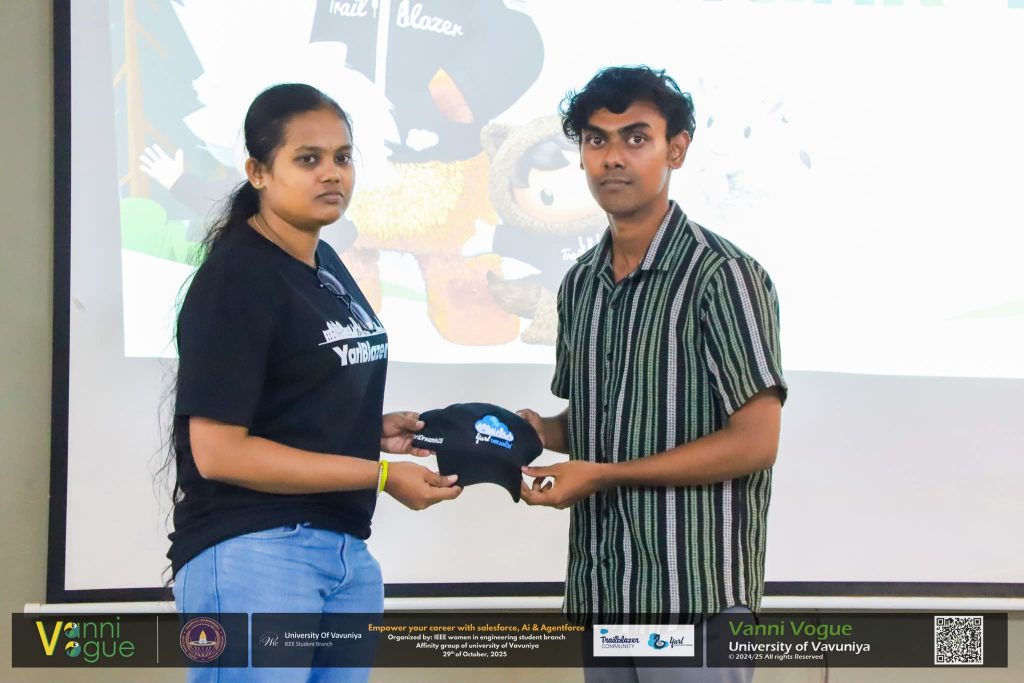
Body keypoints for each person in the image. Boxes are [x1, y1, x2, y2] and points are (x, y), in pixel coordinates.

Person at [167, 83, 461, 683]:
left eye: (342, 157)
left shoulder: (325, 263)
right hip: (255, 551)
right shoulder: (238, 277)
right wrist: (381, 475)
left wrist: (369, 431)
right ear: (258, 172)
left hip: (344, 554)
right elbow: (220, 452)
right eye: (308, 159)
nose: (332, 173)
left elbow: (287, 404)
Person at [517, 66, 787, 683]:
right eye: (596, 140)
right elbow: (600, 419)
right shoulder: (580, 283)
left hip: (693, 596)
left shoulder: (723, 276)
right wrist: (538, 431)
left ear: (677, 149)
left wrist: (604, 474)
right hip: (605, 591)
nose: (613, 158)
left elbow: (756, 443)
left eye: (636, 138)